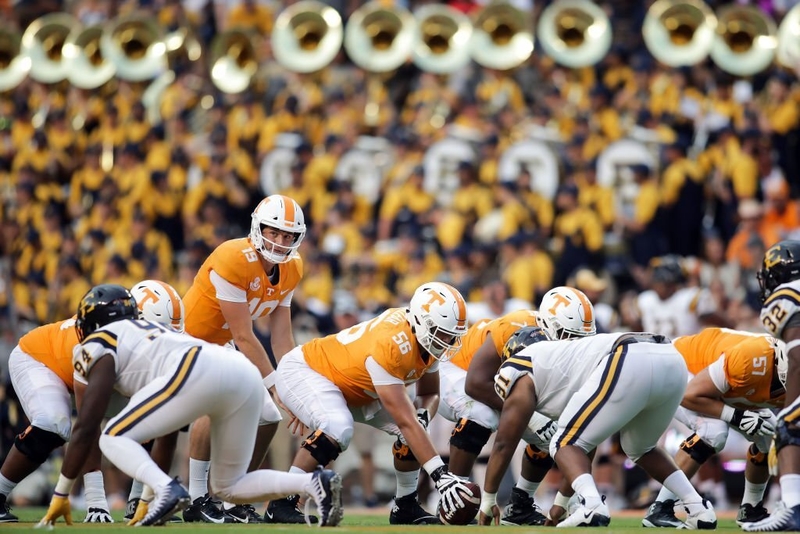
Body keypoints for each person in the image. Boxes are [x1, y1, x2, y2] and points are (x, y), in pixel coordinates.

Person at [36, 284, 343, 528]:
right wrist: (146, 500)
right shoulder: (155, 333)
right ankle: (314, 482)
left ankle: (167, 489)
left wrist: (62, 492)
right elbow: (167, 433)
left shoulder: (97, 342)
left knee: (110, 436)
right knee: (229, 488)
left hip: (198, 370)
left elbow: (87, 426)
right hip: (241, 370)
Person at [272, 282, 475, 525]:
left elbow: (430, 393)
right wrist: (441, 476)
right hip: (311, 370)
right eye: (443, 333)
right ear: (422, 322)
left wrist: (423, 415)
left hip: (354, 385)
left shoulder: (424, 338)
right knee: (339, 426)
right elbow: (403, 418)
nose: (449, 340)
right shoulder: (391, 343)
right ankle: (284, 501)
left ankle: (406, 505)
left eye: (452, 334)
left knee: (417, 427)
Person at [479, 327, 716, 528]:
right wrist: (559, 506)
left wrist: (488, 498)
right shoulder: (562, 364)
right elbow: (586, 445)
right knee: (640, 447)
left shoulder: (516, 368)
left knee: (562, 442)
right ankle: (699, 509)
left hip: (630, 355)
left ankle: (591, 505)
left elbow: (504, 442)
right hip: (671, 358)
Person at [182, 194, 305, 523]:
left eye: (287, 236)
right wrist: (277, 388)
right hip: (187, 342)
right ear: (257, 228)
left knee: (269, 417)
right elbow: (244, 336)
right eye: (274, 232)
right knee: (220, 398)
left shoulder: (292, 268)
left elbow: (281, 337)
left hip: (222, 346)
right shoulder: (233, 257)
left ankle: (233, 496)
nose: (280, 242)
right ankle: (197, 498)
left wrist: (295, 385)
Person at [438, 287, 597, 525]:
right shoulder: (514, 326)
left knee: (554, 433)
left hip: (505, 386)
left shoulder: (566, 348)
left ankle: (521, 503)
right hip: (458, 370)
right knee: (482, 414)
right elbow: (475, 384)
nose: (575, 344)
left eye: (581, 337)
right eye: (569, 335)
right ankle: (453, 498)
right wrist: (531, 416)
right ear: (548, 325)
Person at [643, 328, 784, 528]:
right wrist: (737, 416)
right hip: (681, 365)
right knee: (713, 433)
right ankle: (661, 507)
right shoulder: (752, 358)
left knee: (770, 436)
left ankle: (751, 509)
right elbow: (690, 395)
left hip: (725, 384)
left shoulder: (780, 369)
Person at [0, 318, 113, 523]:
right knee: (53, 423)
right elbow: (88, 423)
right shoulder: (92, 345)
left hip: (69, 363)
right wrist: (96, 501)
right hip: (37, 358)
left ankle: (143, 500)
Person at [743, 240, 800, 531]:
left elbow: (797, 355)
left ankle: (793, 508)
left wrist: (790, 407)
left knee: (788, 426)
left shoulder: (786, 296)